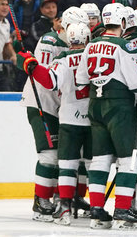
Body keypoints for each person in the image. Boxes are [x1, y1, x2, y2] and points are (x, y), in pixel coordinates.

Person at [74, 2, 137, 229]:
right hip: (119, 107)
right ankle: (123, 211)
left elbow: (81, 80)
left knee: (100, 159)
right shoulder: (124, 46)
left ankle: (96, 210)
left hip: (95, 106)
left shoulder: (91, 45)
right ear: (123, 23)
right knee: (128, 160)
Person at [14, 22, 94, 225]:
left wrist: (28, 63)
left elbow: (49, 78)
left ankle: (63, 201)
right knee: (54, 156)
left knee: (65, 158)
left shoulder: (68, 54)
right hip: (56, 109)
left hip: (65, 113)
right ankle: (43, 202)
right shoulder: (54, 43)